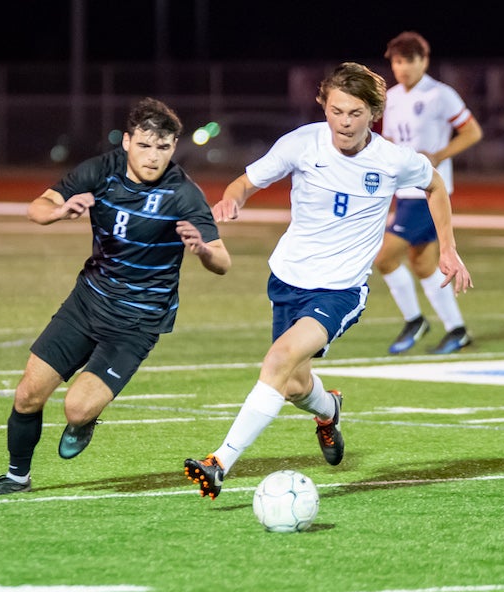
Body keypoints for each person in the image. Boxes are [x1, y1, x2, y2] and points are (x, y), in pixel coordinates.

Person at [184, 62, 472, 500]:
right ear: (324, 106)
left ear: (374, 114)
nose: (344, 122)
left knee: (278, 359)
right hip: (287, 279)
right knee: (296, 383)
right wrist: (231, 201)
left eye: (355, 113)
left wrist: (447, 248)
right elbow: (245, 182)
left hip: (340, 291)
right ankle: (329, 409)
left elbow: (435, 185)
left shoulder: (392, 159)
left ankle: (220, 462)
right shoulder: (301, 144)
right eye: (336, 110)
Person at [0, 97, 231, 496]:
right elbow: (37, 208)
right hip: (87, 302)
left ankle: (85, 419)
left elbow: (223, 262)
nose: (153, 157)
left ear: (173, 148)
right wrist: (60, 211)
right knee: (28, 394)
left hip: (137, 321)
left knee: (76, 407)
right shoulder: (101, 170)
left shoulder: (183, 193)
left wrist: (202, 249)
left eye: (163, 148)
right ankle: (16, 477)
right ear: (127, 141)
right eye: (145, 145)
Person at [374, 31, 483, 355]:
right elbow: (392, 142)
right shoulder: (391, 97)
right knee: (422, 264)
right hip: (404, 191)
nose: (402, 67)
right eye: (396, 61)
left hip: (428, 191)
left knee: (385, 257)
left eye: (409, 60)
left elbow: (472, 132)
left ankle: (415, 319)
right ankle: (457, 330)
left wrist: (439, 155)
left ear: (424, 61)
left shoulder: (440, 94)